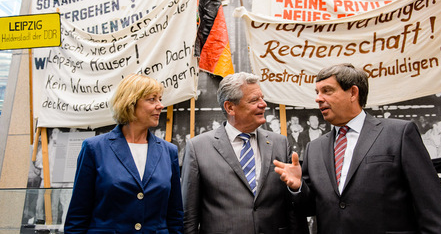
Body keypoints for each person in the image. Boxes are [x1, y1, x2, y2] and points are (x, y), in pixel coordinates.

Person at [274, 63, 441, 234]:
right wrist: (298, 188)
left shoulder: (398, 133)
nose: (318, 98)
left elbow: (433, 207)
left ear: (353, 92)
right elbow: (312, 207)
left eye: (327, 91)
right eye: (317, 92)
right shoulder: (315, 148)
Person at [181, 72, 308, 234]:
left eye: (262, 98)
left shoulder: (280, 143)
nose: (263, 104)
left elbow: (296, 210)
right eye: (254, 100)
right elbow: (189, 216)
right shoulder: (198, 148)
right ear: (230, 107)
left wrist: (296, 188)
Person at [64, 74, 183, 233]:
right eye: (152, 99)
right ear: (130, 103)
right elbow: (78, 216)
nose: (160, 105)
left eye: (160, 99)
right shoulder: (94, 148)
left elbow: (175, 215)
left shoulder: (169, 151)